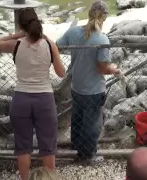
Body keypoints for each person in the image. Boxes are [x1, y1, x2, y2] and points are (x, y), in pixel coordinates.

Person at [0, 8, 66, 180]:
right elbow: (61, 73)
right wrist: (53, 48)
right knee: (48, 146)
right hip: (44, 100)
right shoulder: (49, 44)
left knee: (23, 147)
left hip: (21, 99)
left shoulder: (17, 44)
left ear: (21, 26)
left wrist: (14, 35)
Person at [56, 0, 121, 163]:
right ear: (104, 18)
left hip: (77, 87)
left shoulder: (73, 32)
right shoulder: (102, 39)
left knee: (77, 118)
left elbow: (56, 46)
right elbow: (102, 68)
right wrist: (114, 70)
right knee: (92, 124)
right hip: (94, 90)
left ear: (89, 13)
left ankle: (76, 147)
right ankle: (87, 155)